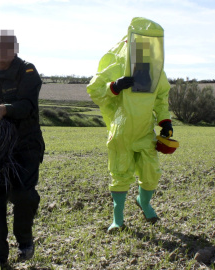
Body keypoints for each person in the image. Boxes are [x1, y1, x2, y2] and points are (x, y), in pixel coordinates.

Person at [86, 17, 174, 232]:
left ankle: (144, 202)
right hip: (122, 131)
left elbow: (162, 97)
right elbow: (94, 88)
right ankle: (118, 220)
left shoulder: (155, 70)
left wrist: (165, 121)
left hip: (145, 132)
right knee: (120, 173)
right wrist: (113, 86)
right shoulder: (118, 64)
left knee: (151, 172)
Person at [0, 30, 45, 269]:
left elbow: (27, 105)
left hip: (26, 145)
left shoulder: (28, 72)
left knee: (22, 194)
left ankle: (24, 240)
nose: (2, 51)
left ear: (16, 49)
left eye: (8, 46)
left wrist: (3, 109)